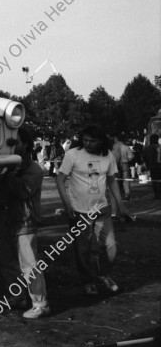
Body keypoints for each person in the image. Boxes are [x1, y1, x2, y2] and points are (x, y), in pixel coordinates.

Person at [56, 124, 131, 296]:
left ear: (101, 141)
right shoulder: (73, 154)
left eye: (93, 141)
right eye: (85, 140)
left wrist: (121, 205)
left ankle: (102, 274)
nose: (88, 143)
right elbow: (60, 180)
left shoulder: (108, 156)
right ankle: (88, 280)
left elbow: (112, 180)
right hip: (78, 211)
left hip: (101, 209)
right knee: (83, 249)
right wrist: (66, 204)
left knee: (111, 246)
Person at [0, 127, 49, 319]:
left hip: (24, 222)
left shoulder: (34, 170)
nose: (11, 146)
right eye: (10, 142)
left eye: (16, 142)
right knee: (7, 264)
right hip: (4, 219)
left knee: (30, 266)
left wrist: (6, 173)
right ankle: (18, 297)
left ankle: (41, 304)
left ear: (27, 144)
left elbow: (23, 191)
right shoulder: (4, 166)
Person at [112, 134, 134, 200]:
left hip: (116, 165)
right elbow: (131, 156)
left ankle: (119, 195)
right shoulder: (126, 147)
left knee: (118, 180)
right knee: (126, 180)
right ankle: (127, 195)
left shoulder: (113, 147)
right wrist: (127, 159)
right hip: (125, 164)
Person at [143, 134, 161, 199]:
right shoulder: (159, 147)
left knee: (155, 182)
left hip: (152, 167)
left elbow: (144, 158)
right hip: (159, 166)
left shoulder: (147, 148)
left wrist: (147, 166)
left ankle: (157, 195)